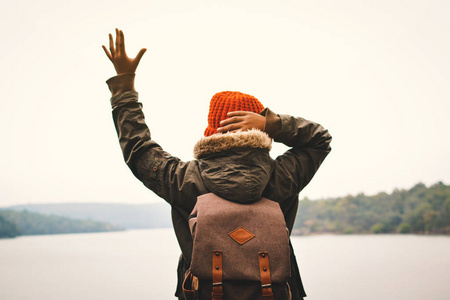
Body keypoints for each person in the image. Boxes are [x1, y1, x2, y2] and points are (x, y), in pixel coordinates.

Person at [103, 28, 332, 300]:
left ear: (211, 129)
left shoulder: (183, 180)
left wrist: (124, 86)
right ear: (262, 134)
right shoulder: (283, 177)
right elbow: (319, 140)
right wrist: (272, 123)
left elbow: (138, 148)